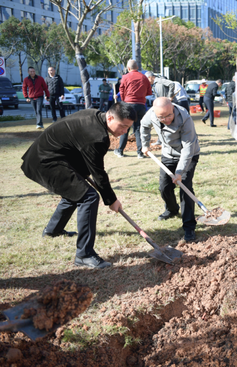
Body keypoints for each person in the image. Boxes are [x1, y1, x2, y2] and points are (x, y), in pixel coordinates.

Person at [21, 102, 136, 269]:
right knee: (88, 196)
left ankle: (53, 230)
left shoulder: (95, 116)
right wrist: (111, 200)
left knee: (77, 191)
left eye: (129, 128)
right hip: (45, 160)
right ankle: (84, 254)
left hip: (53, 156)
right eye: (123, 126)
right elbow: (98, 174)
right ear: (110, 117)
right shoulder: (97, 137)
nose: (125, 132)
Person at [140, 97, 201, 242]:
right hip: (168, 154)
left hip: (188, 154)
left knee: (185, 187)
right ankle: (172, 210)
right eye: (161, 117)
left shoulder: (184, 117)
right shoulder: (151, 114)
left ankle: (189, 226)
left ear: (173, 109)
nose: (166, 119)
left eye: (169, 115)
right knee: (164, 187)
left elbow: (187, 148)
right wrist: (144, 144)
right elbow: (143, 125)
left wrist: (179, 172)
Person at [114, 59, 152, 159]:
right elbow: (149, 92)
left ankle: (120, 151)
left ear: (128, 68)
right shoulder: (144, 77)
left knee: (125, 127)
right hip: (141, 105)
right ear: (138, 67)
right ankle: (140, 152)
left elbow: (121, 91)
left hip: (129, 104)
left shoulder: (125, 77)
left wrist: (124, 102)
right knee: (138, 129)